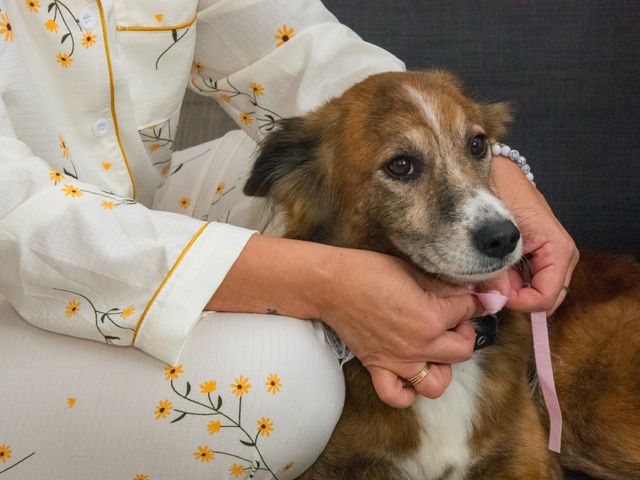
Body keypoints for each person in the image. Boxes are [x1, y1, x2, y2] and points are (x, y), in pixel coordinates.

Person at [0, 0, 578, 478]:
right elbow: (19, 211)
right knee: (285, 383)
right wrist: (321, 283)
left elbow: (289, 49)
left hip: (124, 198)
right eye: (402, 167)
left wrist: (492, 164)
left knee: (303, 179)